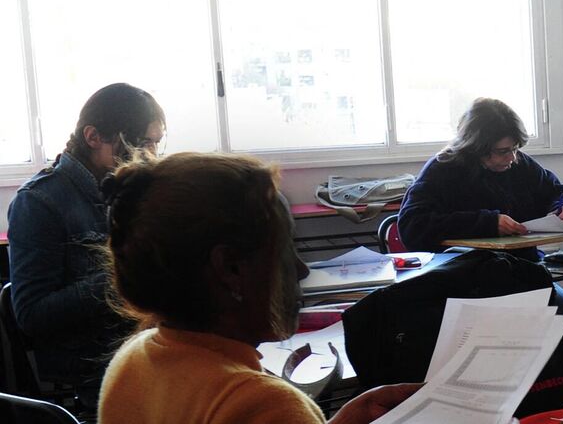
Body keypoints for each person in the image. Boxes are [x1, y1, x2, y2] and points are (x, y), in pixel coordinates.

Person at [97, 151, 421, 424]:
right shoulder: (263, 405)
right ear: (231, 268)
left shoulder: (131, 361)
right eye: (283, 252)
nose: (301, 269)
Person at [6, 83, 159, 402]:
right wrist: (122, 274)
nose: (150, 157)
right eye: (141, 144)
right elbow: (32, 315)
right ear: (93, 137)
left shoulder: (133, 188)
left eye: (156, 144)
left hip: (144, 349)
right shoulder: (39, 202)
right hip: (91, 373)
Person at [395, 98, 563, 343]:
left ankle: (535, 380)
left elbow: (556, 190)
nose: (512, 158)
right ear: (476, 146)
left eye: (515, 149)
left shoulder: (518, 164)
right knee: (558, 318)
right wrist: (487, 222)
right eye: (503, 151)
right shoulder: (444, 170)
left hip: (520, 272)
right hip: (464, 278)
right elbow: (412, 224)